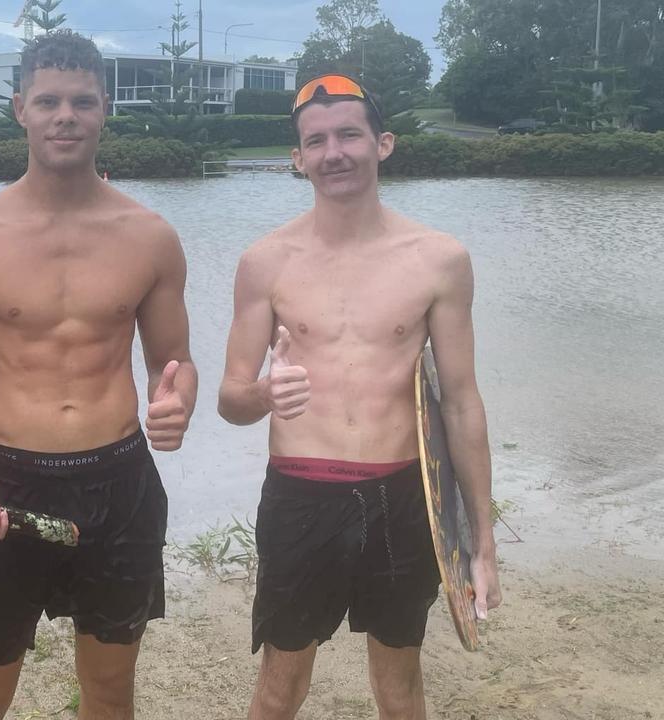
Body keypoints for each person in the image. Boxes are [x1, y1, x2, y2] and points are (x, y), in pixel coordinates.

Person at [0, 30, 197, 720]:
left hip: (120, 482)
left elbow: (175, 364)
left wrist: (178, 402)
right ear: (19, 108)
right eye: (48, 101)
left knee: (109, 687)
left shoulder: (151, 238)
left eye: (81, 101)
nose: (65, 116)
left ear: (105, 108)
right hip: (5, 486)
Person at [217, 74, 503, 720]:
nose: (333, 152)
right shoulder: (265, 262)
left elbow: (460, 402)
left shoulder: (439, 260)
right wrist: (264, 392)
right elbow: (230, 400)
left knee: (400, 686)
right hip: (299, 495)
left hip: (404, 498)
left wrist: (479, 539)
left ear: (384, 144)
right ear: (297, 159)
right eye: (315, 141)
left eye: (349, 134)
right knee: (279, 685)